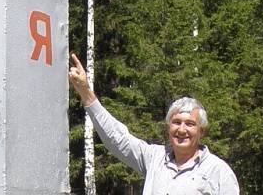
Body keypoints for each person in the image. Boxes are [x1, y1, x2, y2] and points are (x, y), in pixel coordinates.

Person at [68, 54, 239, 195]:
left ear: (201, 131)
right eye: (176, 122)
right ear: (168, 128)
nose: (181, 129)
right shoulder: (154, 159)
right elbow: (117, 139)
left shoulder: (219, 172)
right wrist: (85, 91)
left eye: (190, 124)